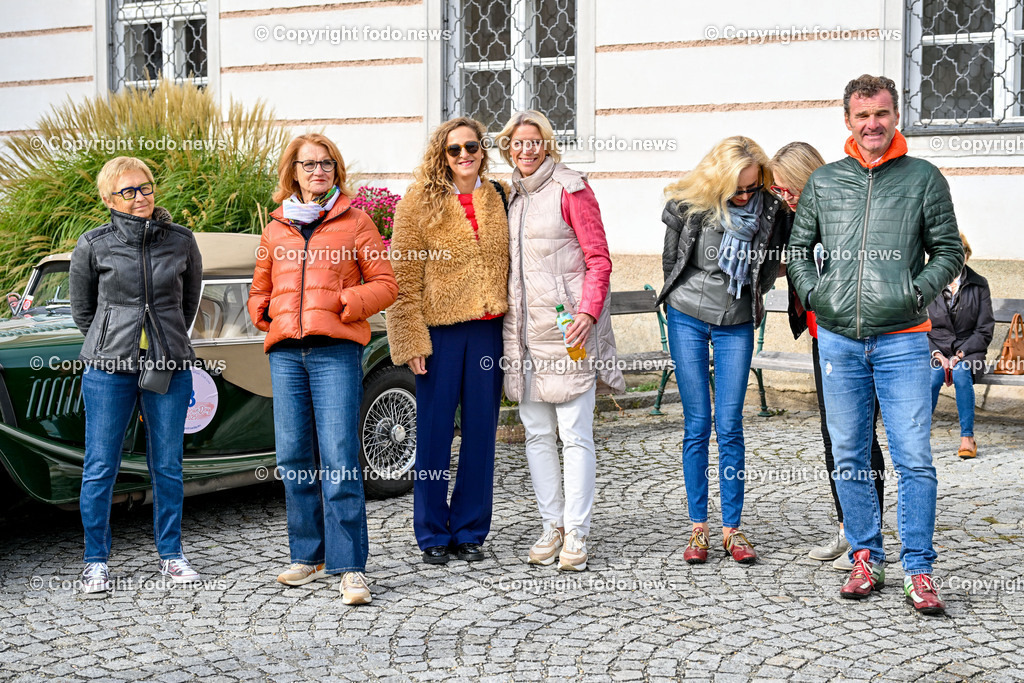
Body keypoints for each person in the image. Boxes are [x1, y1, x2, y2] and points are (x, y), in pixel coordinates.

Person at [788, 74, 964, 615]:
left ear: (896, 117)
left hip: (904, 342)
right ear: (847, 120)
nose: (872, 125)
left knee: (914, 457)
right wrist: (820, 296)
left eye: (881, 114)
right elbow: (798, 251)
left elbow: (950, 252)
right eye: (862, 115)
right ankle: (866, 556)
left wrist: (914, 292)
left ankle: (919, 568)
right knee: (849, 456)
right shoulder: (825, 183)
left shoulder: (924, 179)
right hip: (839, 342)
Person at [247, 134, 397, 605]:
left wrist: (345, 303)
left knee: (338, 456)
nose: (318, 171)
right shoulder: (275, 228)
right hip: (287, 353)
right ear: (292, 171)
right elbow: (260, 287)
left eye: (326, 163)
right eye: (308, 164)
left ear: (336, 169)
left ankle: (350, 567)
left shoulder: (356, 222)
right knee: (292, 456)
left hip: (335, 351)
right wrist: (263, 313)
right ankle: (307, 555)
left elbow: (386, 284)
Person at [495, 110, 624, 571]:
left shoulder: (571, 188)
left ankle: (578, 531)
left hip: (568, 331)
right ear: (508, 146)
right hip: (524, 336)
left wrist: (588, 313)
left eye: (535, 142)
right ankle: (551, 525)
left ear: (547, 145)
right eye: (518, 142)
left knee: (575, 434)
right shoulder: (509, 196)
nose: (526, 150)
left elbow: (598, 258)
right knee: (535, 434)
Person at [69, 156, 203, 597]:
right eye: (128, 191)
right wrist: (113, 342)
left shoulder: (181, 242)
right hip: (109, 368)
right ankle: (95, 562)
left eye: (145, 187)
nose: (140, 196)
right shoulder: (93, 245)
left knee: (167, 465)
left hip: (167, 363)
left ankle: (172, 554)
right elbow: (83, 311)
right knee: (100, 465)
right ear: (109, 199)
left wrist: (165, 341)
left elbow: (187, 305)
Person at [656, 136, 789, 565]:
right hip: (687, 316)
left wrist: (752, 293)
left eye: (752, 186)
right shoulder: (688, 204)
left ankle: (733, 528)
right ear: (718, 180)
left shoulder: (772, 209)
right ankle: (698, 528)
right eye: (738, 189)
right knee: (697, 423)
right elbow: (672, 261)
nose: (746, 196)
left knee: (730, 424)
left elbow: (771, 265)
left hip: (736, 322)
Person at [386, 117, 509, 565]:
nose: (464, 156)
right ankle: (433, 532)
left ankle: (471, 530)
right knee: (435, 434)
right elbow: (402, 279)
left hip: (487, 330)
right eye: (454, 150)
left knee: (481, 434)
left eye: (471, 147)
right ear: (442, 154)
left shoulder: (499, 196)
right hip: (438, 333)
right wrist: (410, 339)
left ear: (482, 150)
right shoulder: (417, 202)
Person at [769, 142, 886, 571]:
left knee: (860, 437)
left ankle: (866, 539)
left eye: (789, 191)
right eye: (779, 193)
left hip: (859, 338)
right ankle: (846, 527)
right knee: (832, 435)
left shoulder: (847, 211)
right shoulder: (793, 218)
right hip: (825, 340)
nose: (785, 200)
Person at [927, 232, 994, 459]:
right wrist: (936, 353)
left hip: (969, 350)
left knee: (962, 372)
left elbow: (985, 328)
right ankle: (919, 437)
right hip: (934, 348)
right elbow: (919, 325)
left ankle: (967, 438)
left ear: (966, 256)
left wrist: (961, 354)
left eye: (960, 253)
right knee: (934, 376)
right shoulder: (929, 283)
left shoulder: (979, 284)